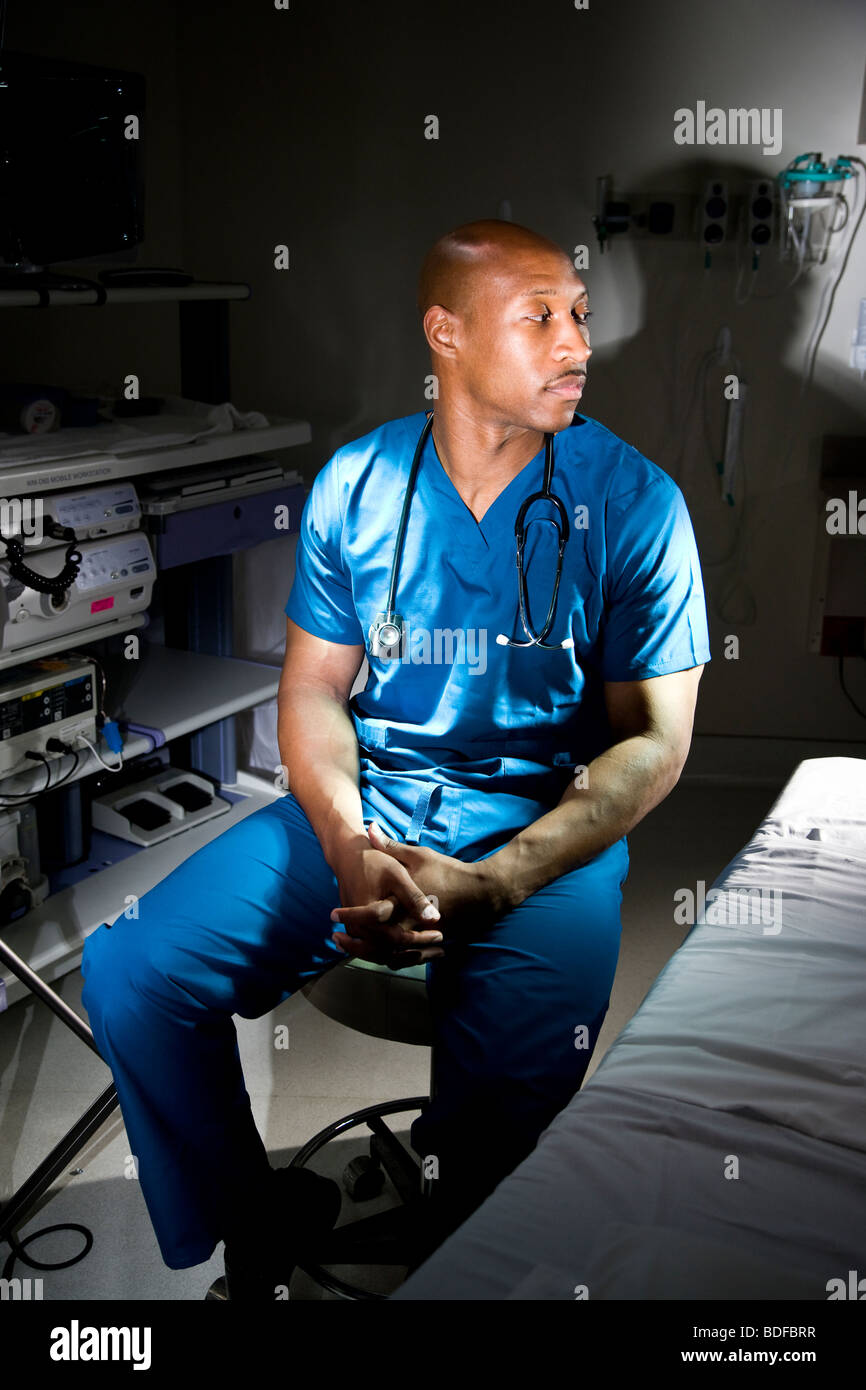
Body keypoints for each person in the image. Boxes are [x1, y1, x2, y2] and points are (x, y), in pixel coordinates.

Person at [81, 218, 710, 1301]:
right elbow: (317, 689)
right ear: (444, 335)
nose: (576, 343)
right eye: (539, 318)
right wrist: (347, 837)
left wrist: (500, 878)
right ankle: (257, 1227)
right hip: (369, 799)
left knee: (498, 1155)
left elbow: (653, 740)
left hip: (538, 834)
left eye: (580, 316)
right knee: (133, 966)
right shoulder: (358, 486)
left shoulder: (635, 503)